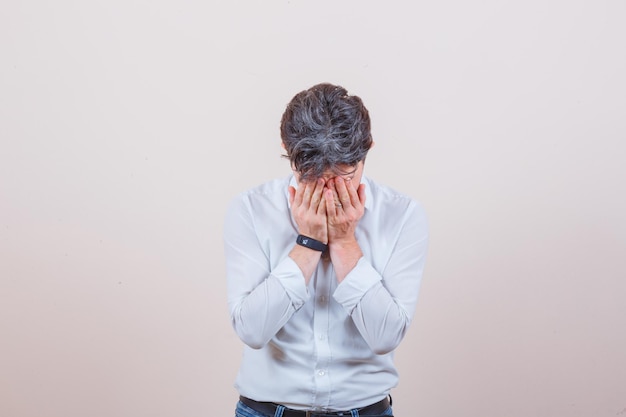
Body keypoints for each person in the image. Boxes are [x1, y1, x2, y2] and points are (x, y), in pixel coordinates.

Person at [224, 83, 428, 417]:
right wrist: (308, 243)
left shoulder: (402, 214)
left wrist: (346, 243)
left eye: (344, 176)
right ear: (287, 152)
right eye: (313, 177)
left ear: (368, 150)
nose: (329, 191)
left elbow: (386, 336)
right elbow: (251, 330)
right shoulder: (250, 209)